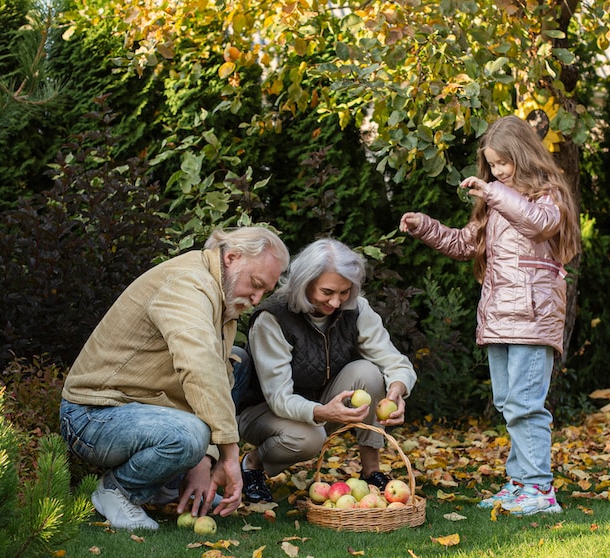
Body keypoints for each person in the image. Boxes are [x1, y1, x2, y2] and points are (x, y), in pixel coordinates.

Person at [399, 115, 580, 516]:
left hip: (533, 315)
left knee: (526, 404)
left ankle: (539, 490)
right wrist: (424, 226)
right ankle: (519, 483)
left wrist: (494, 193)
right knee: (507, 402)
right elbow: (465, 244)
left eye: (504, 163)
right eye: (492, 165)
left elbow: (539, 225)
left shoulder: (548, 196)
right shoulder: (494, 203)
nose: (497, 172)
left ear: (523, 155)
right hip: (498, 315)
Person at [59, 227, 290, 530]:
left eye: (265, 292)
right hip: (93, 416)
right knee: (189, 435)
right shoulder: (187, 284)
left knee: (237, 361)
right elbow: (199, 368)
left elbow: (215, 374)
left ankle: (168, 482)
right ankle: (118, 490)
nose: (257, 299)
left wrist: (204, 461)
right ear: (232, 257)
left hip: (142, 409)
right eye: (256, 284)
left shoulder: (220, 292)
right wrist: (229, 456)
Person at [234, 238, 417, 503]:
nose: (336, 302)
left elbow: (394, 361)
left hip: (323, 402)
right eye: (327, 292)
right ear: (304, 283)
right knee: (309, 437)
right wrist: (321, 412)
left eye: (344, 292)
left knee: (369, 372)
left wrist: (398, 390)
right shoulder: (272, 319)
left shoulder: (356, 308)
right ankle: (251, 465)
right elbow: (279, 398)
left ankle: (371, 472)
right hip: (264, 411)